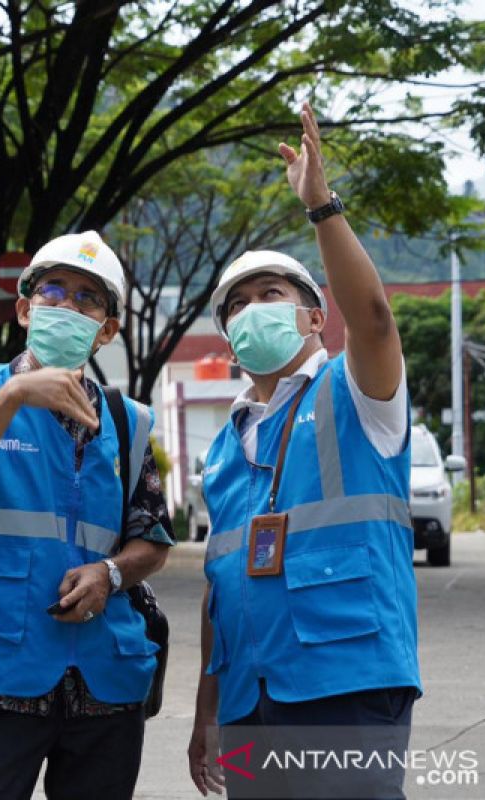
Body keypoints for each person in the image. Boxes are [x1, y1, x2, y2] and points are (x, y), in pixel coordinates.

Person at [186, 104, 419, 800]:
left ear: (315, 316)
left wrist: (320, 205)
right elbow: (218, 593)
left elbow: (375, 319)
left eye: (271, 294)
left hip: (348, 680)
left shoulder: (359, 397)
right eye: (236, 306)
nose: (251, 310)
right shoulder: (225, 449)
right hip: (249, 699)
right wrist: (206, 714)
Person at [0, 231, 174, 800]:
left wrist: (109, 575)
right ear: (26, 309)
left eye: (87, 299)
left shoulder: (127, 420)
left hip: (107, 679)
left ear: (107, 329)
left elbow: (152, 538)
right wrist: (11, 399)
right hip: (0, 670)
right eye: (53, 291)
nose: (67, 306)